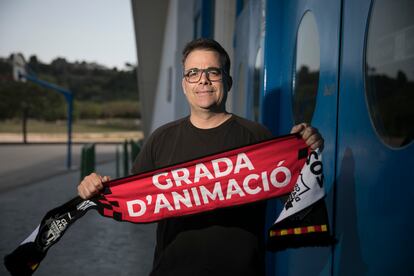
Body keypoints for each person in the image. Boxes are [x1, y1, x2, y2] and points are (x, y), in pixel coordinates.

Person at [78, 38, 324, 276]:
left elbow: (292, 198)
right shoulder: (160, 139)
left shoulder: (257, 137)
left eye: (213, 72)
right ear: (184, 84)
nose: (203, 80)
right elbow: (134, 201)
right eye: (193, 73)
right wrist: (97, 190)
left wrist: (303, 155)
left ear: (228, 81)